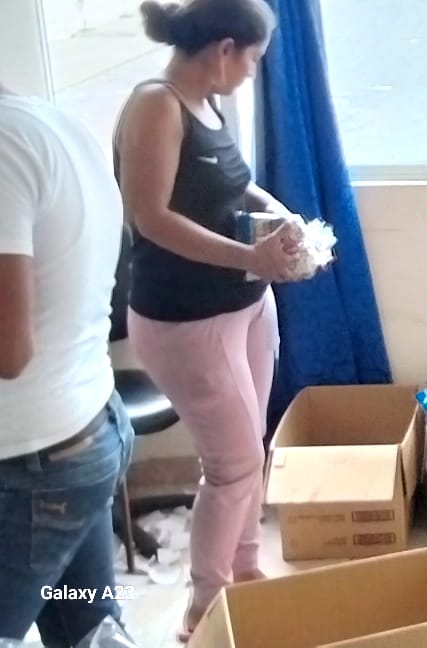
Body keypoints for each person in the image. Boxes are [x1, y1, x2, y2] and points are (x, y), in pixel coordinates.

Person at [113, 0, 299, 638]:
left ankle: (244, 569)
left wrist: (278, 212)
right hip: (186, 319)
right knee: (233, 464)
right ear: (224, 50)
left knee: (250, 451)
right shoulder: (156, 105)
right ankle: (204, 608)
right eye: (252, 59)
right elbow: (150, 217)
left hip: (245, 305)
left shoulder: (209, 105)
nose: (251, 71)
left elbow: (229, 184)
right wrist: (249, 256)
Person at [0, 82, 135, 644]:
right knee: (89, 627)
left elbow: (9, 351)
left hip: (35, 472)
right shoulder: (53, 124)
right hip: (85, 435)